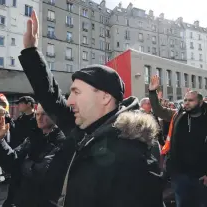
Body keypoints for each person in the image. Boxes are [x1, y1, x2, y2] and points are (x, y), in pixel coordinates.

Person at [16, 10, 164, 207]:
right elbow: (52, 98)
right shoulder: (85, 128)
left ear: (104, 97)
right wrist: (31, 52)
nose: (69, 101)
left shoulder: (133, 152)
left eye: (76, 92)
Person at [0, 104, 69, 207]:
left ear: (55, 115)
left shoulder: (62, 141)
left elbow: (39, 173)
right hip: (17, 200)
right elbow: (12, 162)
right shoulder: (34, 136)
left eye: (44, 114)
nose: (39, 117)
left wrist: (21, 163)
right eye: (38, 114)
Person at [149, 75, 207, 207]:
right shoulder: (178, 115)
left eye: (190, 100)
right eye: (185, 100)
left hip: (201, 176)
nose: (186, 103)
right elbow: (159, 111)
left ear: (200, 102)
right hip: (179, 175)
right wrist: (152, 92)